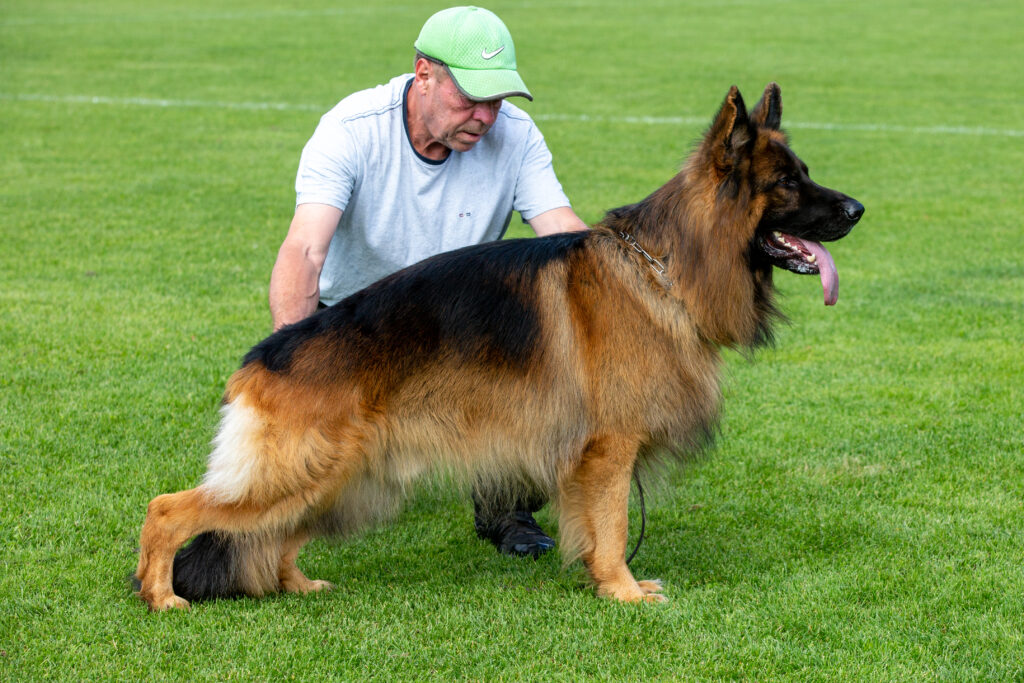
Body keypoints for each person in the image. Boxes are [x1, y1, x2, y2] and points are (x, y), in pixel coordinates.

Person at [267, 6, 588, 558]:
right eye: (470, 98)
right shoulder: (351, 129)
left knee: (542, 372)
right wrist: (295, 375)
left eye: (497, 100)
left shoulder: (516, 136)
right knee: (329, 474)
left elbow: (563, 232)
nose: (486, 117)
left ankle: (503, 504)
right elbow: (304, 249)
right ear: (423, 74)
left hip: (462, 324)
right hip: (357, 321)